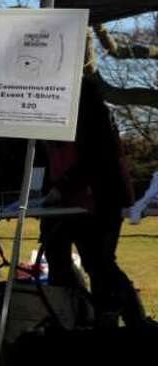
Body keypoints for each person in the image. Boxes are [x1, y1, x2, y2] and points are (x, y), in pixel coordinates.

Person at [40, 76, 145, 328]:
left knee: (99, 262)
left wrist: (62, 186)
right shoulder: (51, 113)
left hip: (100, 197)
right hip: (70, 199)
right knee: (64, 256)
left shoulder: (92, 111)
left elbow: (96, 159)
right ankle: (82, 314)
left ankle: (130, 319)